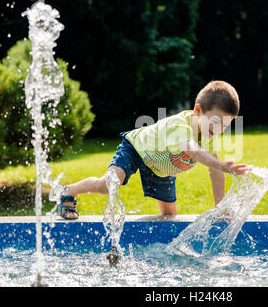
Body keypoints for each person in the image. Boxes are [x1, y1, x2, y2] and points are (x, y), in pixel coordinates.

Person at [58, 80, 250, 219]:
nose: (219, 129)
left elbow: (215, 172)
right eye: (216, 121)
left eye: (225, 125)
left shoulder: (209, 136)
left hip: (161, 169)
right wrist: (222, 165)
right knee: (108, 184)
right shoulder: (181, 125)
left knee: (169, 217)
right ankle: (70, 191)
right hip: (137, 149)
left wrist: (220, 208)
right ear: (197, 110)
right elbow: (192, 150)